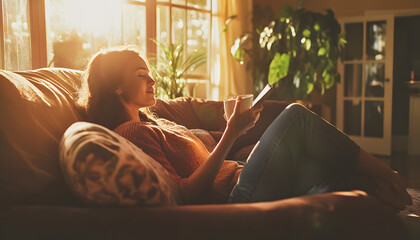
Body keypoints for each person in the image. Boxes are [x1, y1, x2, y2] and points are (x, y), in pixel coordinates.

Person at [78, 46, 412, 211]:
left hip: (242, 175)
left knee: (342, 177)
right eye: (141, 75)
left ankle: (387, 200)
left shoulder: (151, 120)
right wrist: (231, 134)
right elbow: (183, 194)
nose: (152, 80)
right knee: (296, 116)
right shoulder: (131, 134)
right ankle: (387, 173)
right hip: (236, 199)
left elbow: (202, 159)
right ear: (116, 88)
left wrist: (234, 133)